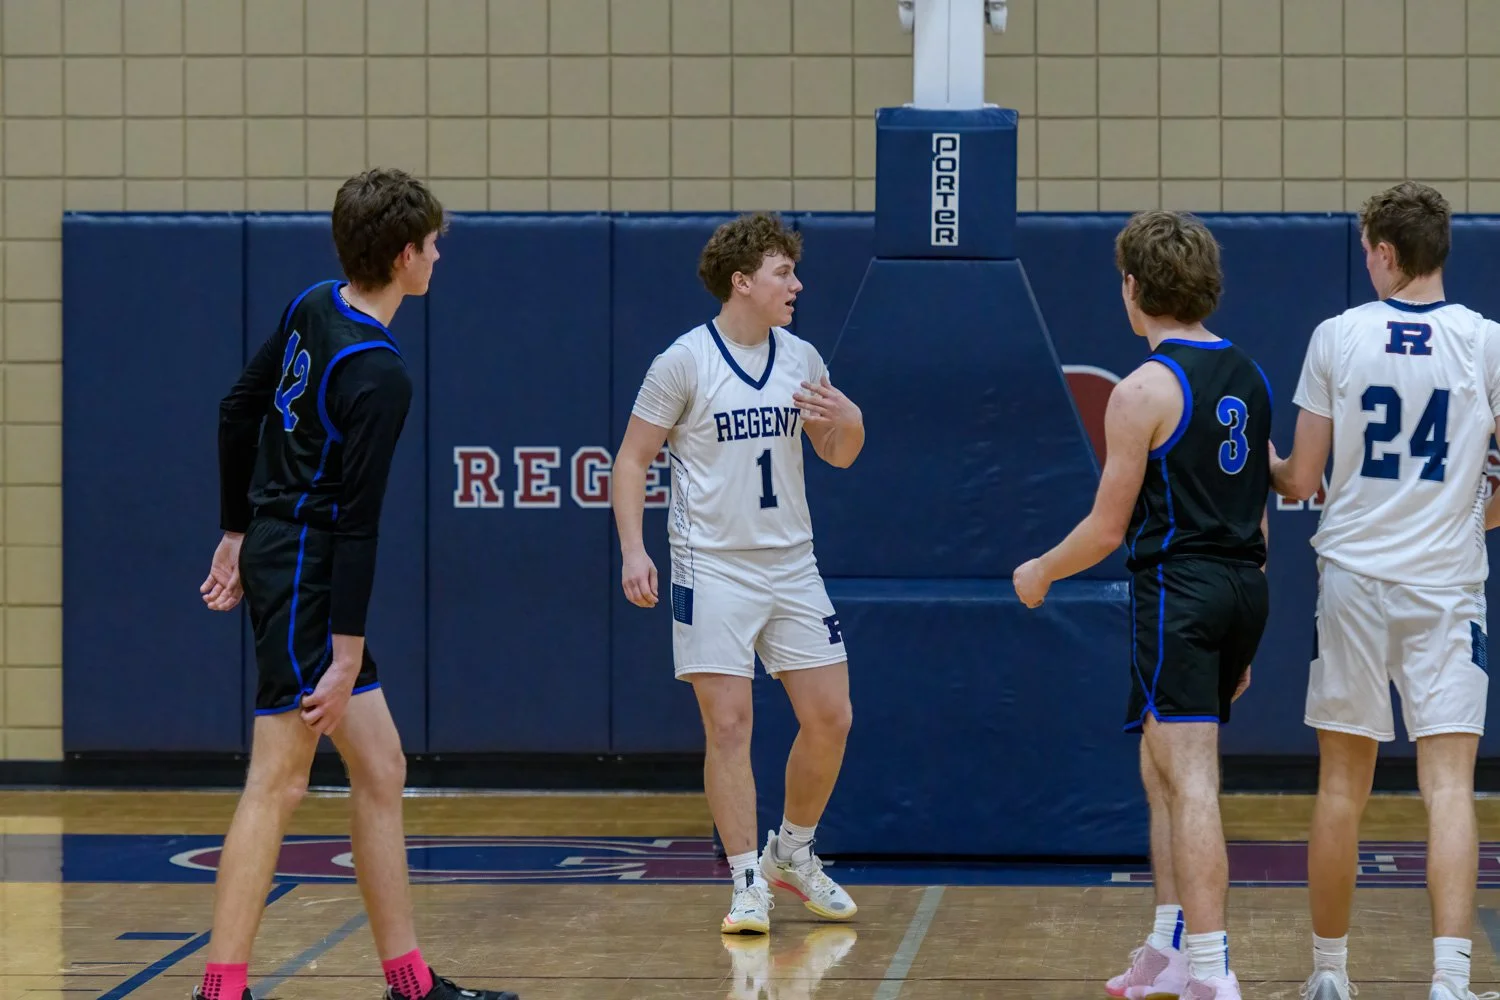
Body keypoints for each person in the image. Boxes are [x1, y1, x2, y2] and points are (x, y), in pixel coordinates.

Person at [196, 168, 518, 1000]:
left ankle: (410, 983)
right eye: (434, 244)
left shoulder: (314, 303)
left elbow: (237, 409)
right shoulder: (380, 374)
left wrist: (236, 531)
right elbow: (356, 523)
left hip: (281, 547)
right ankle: (220, 989)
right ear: (406, 255)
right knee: (279, 780)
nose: (439, 256)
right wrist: (345, 656)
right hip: (307, 566)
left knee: (381, 766)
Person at [1013, 210, 1272, 1000]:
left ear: (1133, 286)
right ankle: (1167, 946)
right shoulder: (1250, 373)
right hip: (1241, 586)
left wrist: (1041, 571)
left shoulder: (1142, 390)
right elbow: (1259, 512)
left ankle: (1212, 970)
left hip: (1179, 593)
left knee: (1190, 780)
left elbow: (1105, 528)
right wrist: (1245, 638)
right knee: (1159, 768)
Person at [1271, 181, 1500, 1000]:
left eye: (1370, 248)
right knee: (1449, 789)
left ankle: (1331, 975)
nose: (1366, 260)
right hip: (1446, 589)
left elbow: (1301, 479)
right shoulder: (1487, 342)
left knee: (1342, 788)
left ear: (1388, 253)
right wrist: (1471, 512)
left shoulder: (1337, 336)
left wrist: (1258, 464)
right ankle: (1449, 981)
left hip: (1354, 585)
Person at [612, 211, 865, 935]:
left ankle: (794, 852)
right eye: (784, 272)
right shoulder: (683, 362)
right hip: (712, 566)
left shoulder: (802, 358)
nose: (797, 284)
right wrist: (634, 549)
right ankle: (747, 879)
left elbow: (838, 454)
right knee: (729, 724)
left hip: (791, 562)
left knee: (831, 717)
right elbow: (631, 459)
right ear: (742, 281)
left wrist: (850, 418)